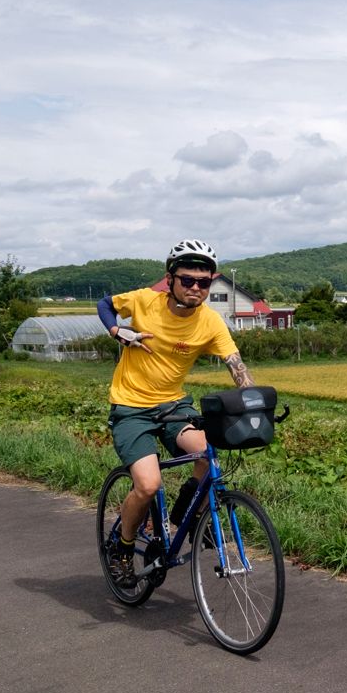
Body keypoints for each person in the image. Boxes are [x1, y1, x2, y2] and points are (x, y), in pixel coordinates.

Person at [97, 239, 255, 588]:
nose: (196, 288)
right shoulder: (144, 302)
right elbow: (105, 304)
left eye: (204, 282)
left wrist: (255, 402)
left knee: (210, 449)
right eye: (187, 280)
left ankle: (184, 514)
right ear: (170, 279)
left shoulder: (210, 323)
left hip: (174, 405)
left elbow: (236, 366)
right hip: (131, 408)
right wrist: (117, 330)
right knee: (149, 484)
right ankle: (121, 548)